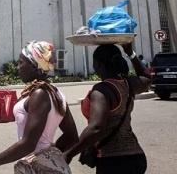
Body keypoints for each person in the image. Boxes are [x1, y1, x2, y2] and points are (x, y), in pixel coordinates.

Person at [0, 41, 79, 174]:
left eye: (21, 62)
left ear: (33, 66)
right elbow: (72, 136)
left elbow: (28, 144)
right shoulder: (56, 93)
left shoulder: (40, 94)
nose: (17, 68)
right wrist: (51, 156)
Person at [63, 42, 151, 174]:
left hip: (113, 161)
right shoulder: (128, 83)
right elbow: (147, 78)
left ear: (97, 64)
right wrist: (131, 54)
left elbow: (96, 128)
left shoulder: (101, 90)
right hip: (136, 157)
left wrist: (69, 153)